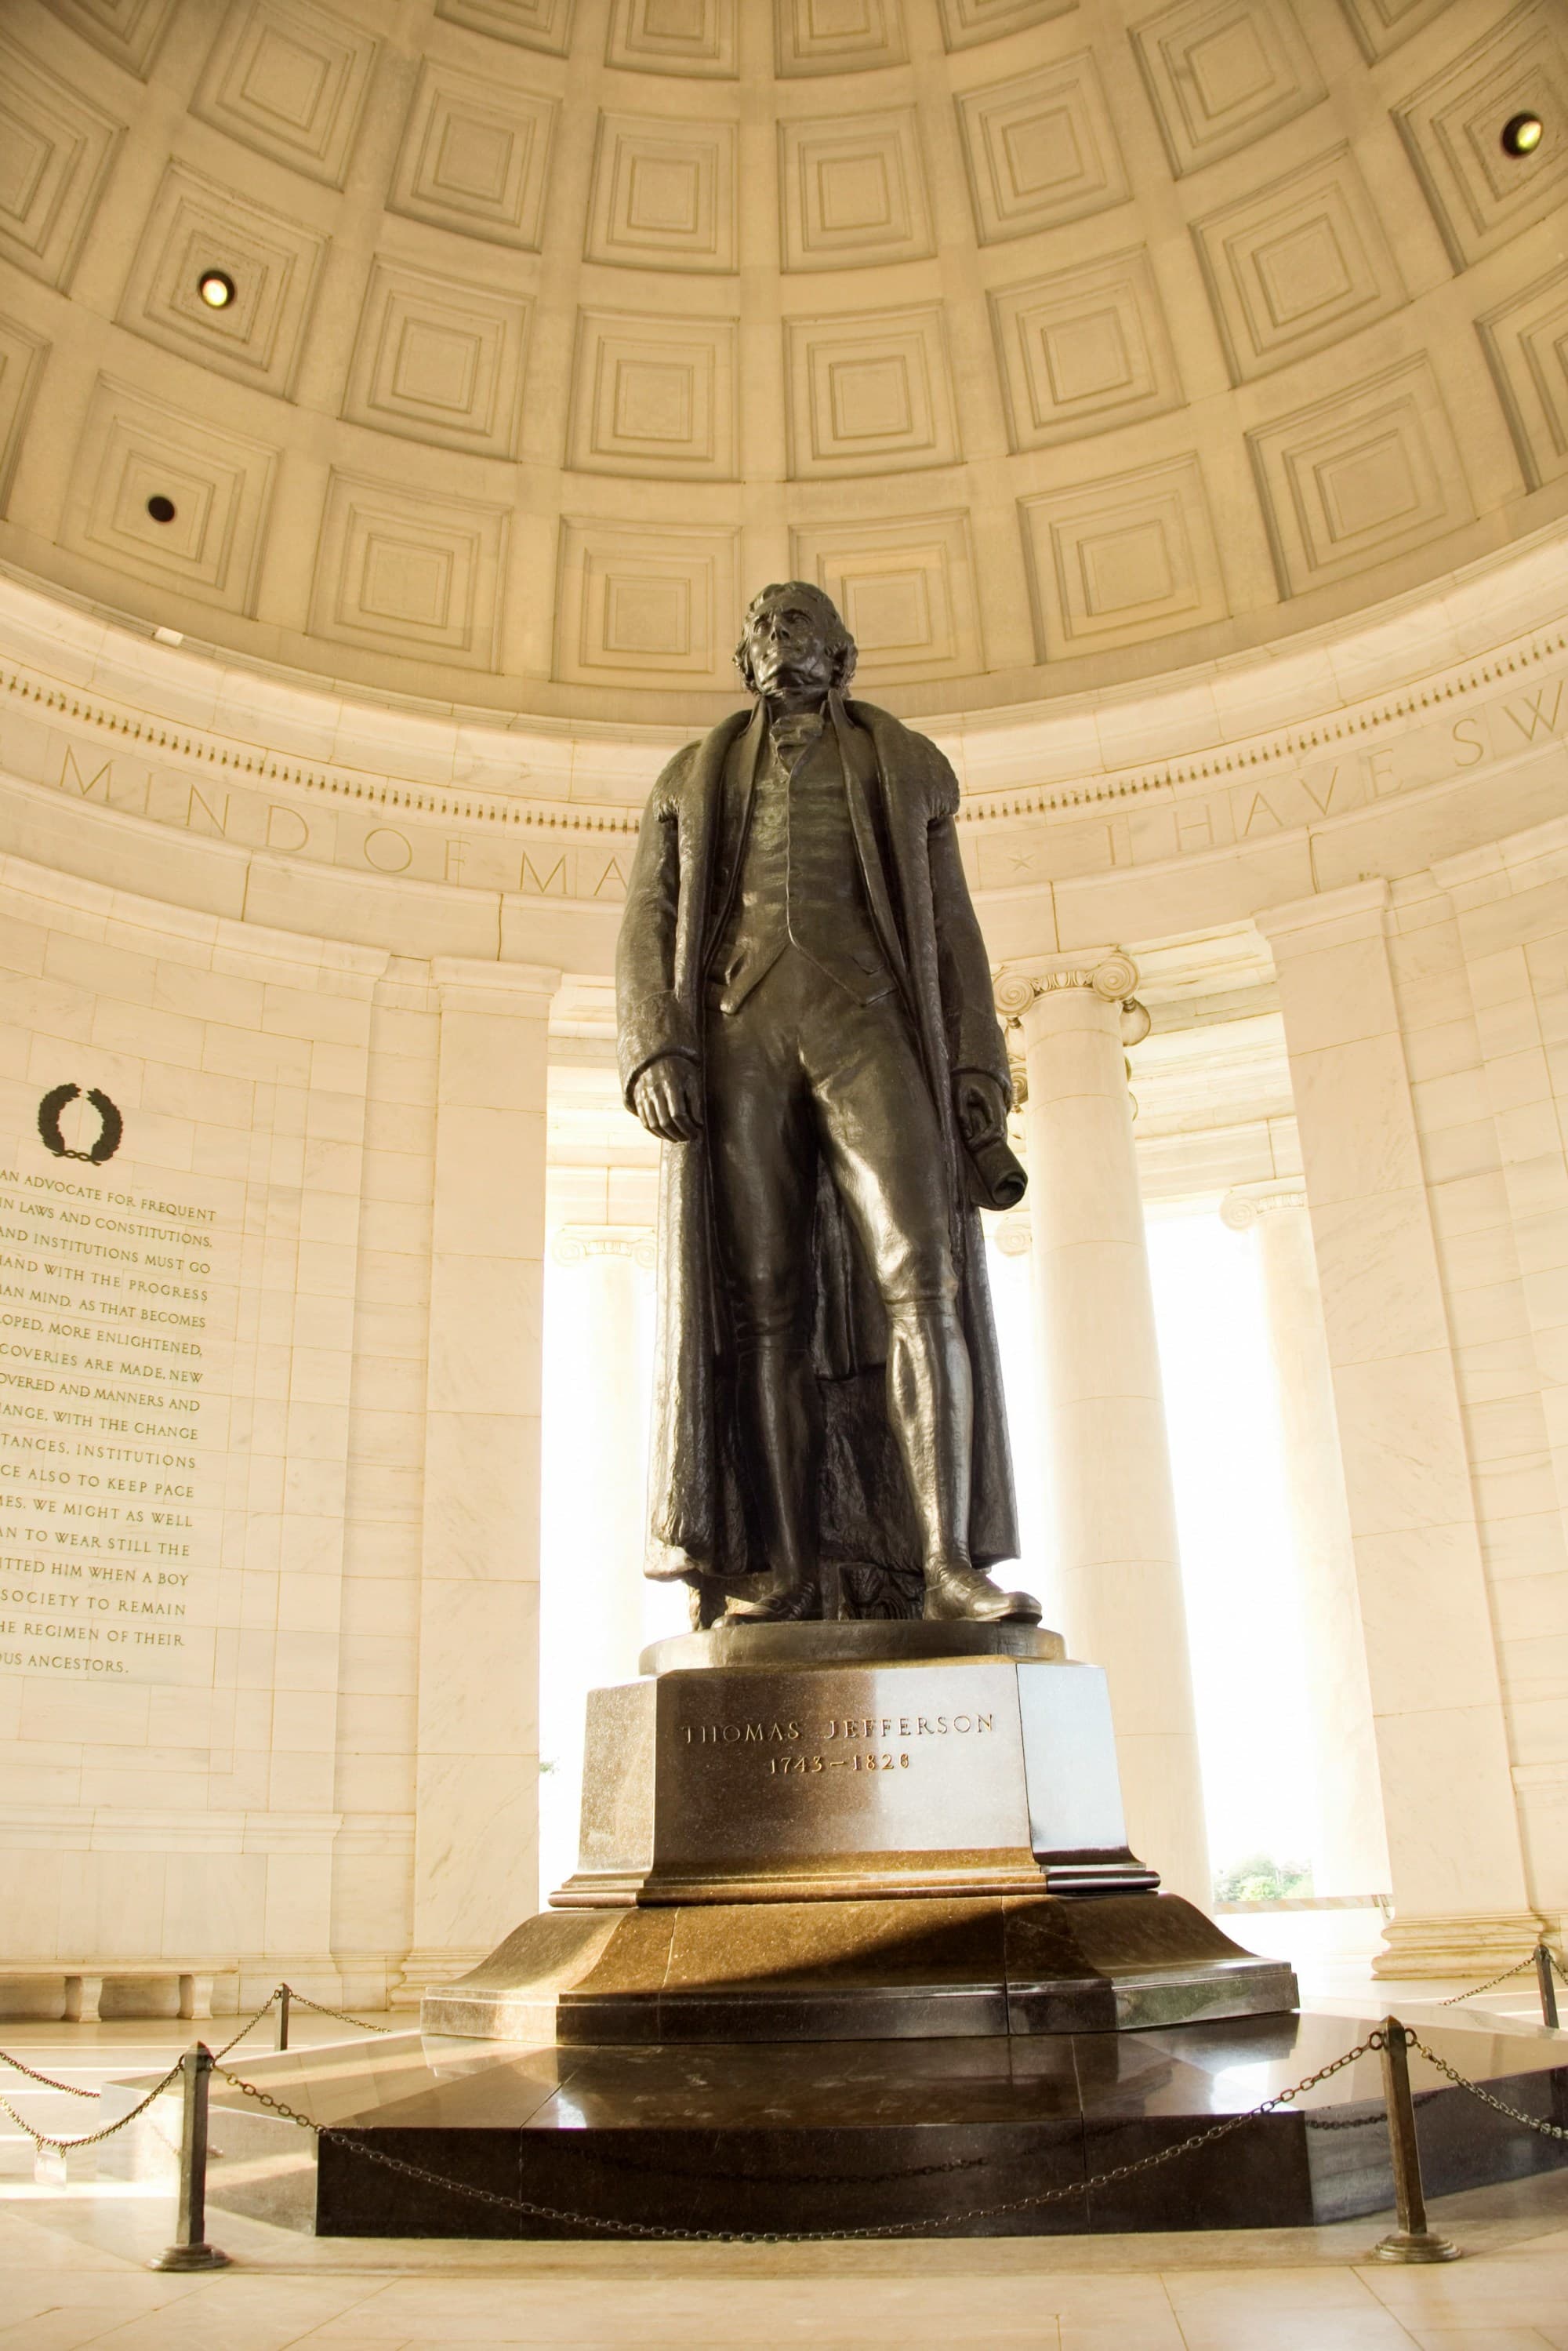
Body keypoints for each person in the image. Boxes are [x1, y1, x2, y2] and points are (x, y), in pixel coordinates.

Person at [616, 581, 1039, 1628]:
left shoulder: (905, 764)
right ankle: (788, 1567)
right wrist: (652, 1046)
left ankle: (945, 1565)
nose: (775, 637)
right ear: (742, 657)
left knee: (921, 1280)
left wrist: (978, 1075)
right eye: (759, 626)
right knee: (763, 1308)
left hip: (871, 1022)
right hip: (739, 1035)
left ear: (843, 651)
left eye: (797, 622)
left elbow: (951, 928)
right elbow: (645, 920)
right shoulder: (689, 777)